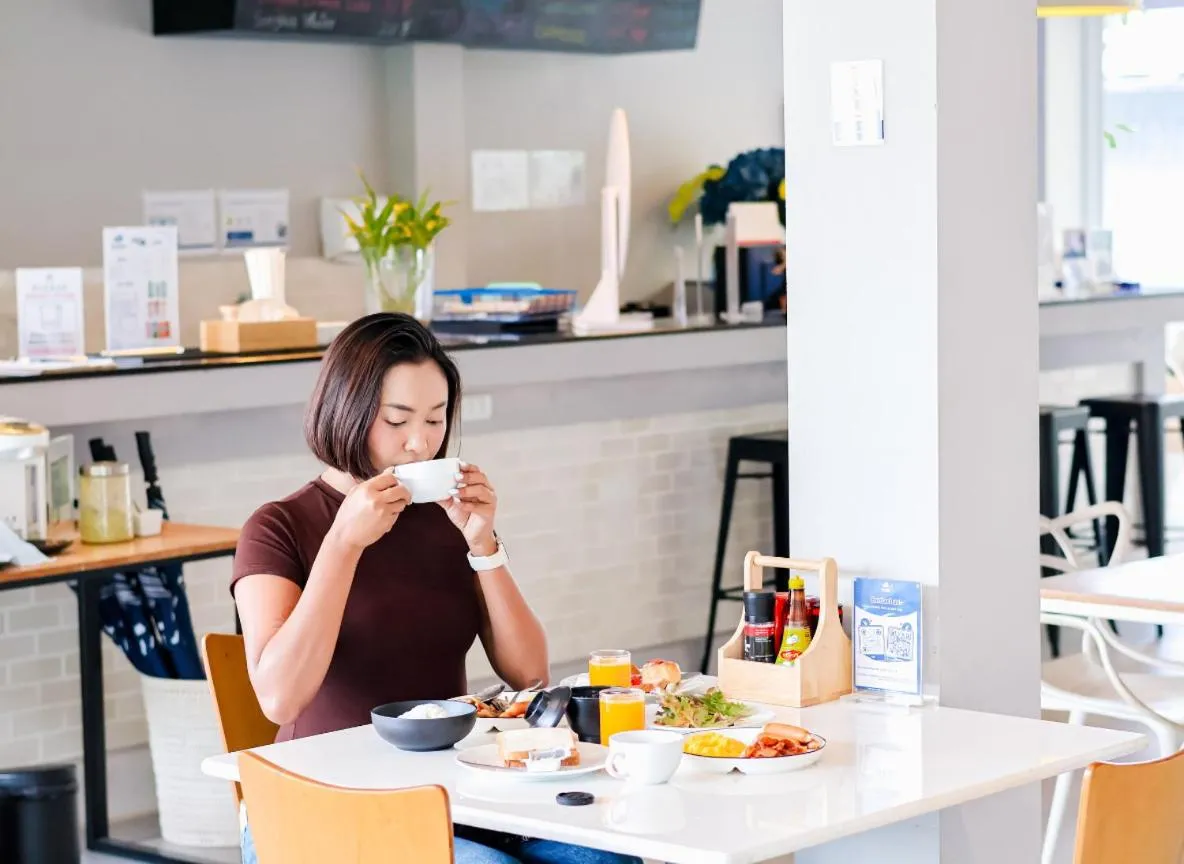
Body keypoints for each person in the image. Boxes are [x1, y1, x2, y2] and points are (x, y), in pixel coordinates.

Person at [231, 313, 641, 864]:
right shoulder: (279, 527)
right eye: (397, 420)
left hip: (455, 792)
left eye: (435, 418)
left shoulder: (443, 519)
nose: (421, 443)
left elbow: (529, 676)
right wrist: (344, 543)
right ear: (346, 411)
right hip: (318, 805)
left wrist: (483, 544)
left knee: (608, 858)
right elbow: (279, 696)